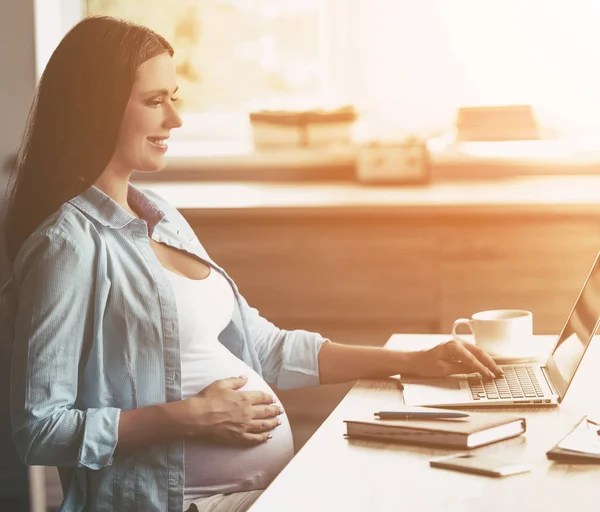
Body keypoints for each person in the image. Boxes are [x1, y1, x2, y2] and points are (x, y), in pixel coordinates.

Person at [0, 15, 502, 512]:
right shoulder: (67, 245)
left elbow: (265, 348)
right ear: (97, 109)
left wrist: (411, 363)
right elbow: (40, 429)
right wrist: (190, 417)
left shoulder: (163, 217)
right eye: (155, 102)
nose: (174, 120)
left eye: (174, 98)